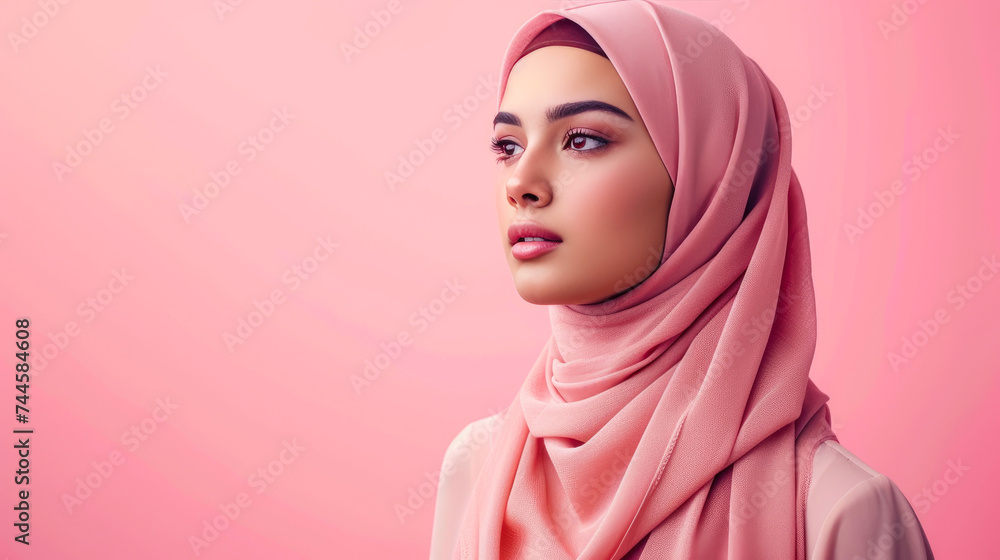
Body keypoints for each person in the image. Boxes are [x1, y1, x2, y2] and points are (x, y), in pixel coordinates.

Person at [430, 2, 935, 558]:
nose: (521, 182)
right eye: (508, 146)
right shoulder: (475, 470)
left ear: (711, 178)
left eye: (583, 140)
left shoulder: (841, 511)